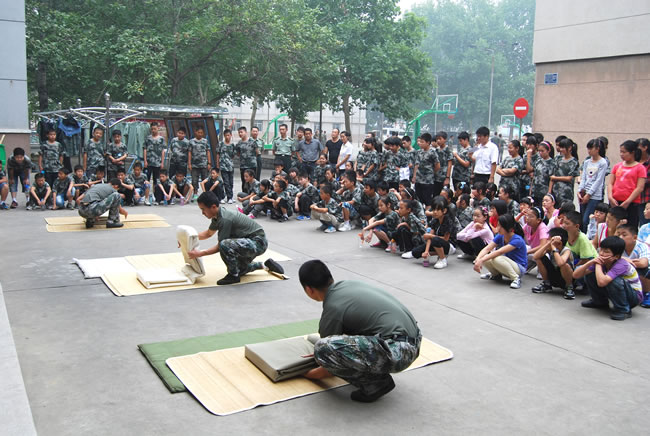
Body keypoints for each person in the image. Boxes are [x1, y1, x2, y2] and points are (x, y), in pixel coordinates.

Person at [299, 259, 421, 402]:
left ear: (309, 289)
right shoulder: (348, 285)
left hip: (399, 352)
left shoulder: (333, 306)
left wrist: (307, 374)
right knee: (333, 343)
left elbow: (328, 361)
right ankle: (377, 377)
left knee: (322, 348)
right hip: (414, 341)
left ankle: (375, 384)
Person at [190, 191, 284, 285]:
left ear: (213, 207)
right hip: (248, 241)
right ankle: (264, 265)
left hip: (258, 242)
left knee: (224, 245)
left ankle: (233, 276)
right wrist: (189, 238)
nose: (202, 213)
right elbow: (208, 233)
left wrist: (200, 253)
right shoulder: (217, 215)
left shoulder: (225, 219)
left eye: (203, 209)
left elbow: (220, 246)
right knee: (240, 269)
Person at [573, 236, 642, 321]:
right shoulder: (603, 261)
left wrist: (598, 264)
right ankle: (599, 301)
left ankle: (624, 309)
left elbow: (601, 282)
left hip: (633, 297)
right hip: (618, 292)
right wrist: (591, 262)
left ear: (616, 256)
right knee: (590, 274)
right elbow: (575, 275)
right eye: (601, 250)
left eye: (606, 252)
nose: (601, 253)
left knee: (613, 280)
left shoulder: (622, 264)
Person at [474, 214, 527, 289]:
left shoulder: (517, 240)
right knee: (485, 256)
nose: (498, 228)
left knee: (496, 258)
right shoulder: (500, 236)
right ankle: (495, 275)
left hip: (519, 268)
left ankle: (515, 278)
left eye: (501, 226)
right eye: (498, 225)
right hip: (507, 264)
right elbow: (487, 248)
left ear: (509, 228)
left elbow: (499, 252)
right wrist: (478, 259)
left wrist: (481, 260)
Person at [608, 140, 646, 229]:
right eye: (620, 152)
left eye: (624, 152)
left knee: (629, 228)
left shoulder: (640, 168)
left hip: (631, 203)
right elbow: (610, 183)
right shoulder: (617, 166)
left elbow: (640, 187)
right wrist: (610, 197)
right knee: (613, 226)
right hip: (615, 202)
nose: (621, 154)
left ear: (632, 153)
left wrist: (627, 201)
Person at [531, 227, 575, 299]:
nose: (548, 240)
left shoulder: (567, 250)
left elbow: (560, 263)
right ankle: (546, 283)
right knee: (539, 258)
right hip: (554, 276)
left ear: (559, 243)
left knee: (565, 265)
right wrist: (548, 244)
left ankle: (569, 287)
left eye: (550, 239)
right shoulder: (550, 247)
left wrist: (554, 249)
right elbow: (535, 256)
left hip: (565, 279)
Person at [411, 197, 455, 269]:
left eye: (437, 210)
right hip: (436, 242)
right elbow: (429, 237)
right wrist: (426, 251)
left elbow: (445, 239)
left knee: (435, 239)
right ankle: (437, 253)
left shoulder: (448, 221)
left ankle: (442, 259)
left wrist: (431, 236)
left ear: (444, 210)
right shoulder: (435, 220)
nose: (435, 212)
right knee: (415, 252)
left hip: (449, 246)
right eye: (434, 209)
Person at [578, 138, 609, 232]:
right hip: (584, 193)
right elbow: (583, 177)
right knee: (582, 219)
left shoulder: (603, 162)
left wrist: (589, 194)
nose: (589, 151)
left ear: (597, 149)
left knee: (587, 220)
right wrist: (580, 190)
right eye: (588, 148)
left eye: (591, 148)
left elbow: (599, 181)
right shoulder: (587, 162)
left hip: (594, 195)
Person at [549, 138, 580, 207]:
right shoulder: (557, 159)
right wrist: (549, 192)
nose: (561, 149)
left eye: (563, 147)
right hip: (555, 192)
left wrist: (556, 178)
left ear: (569, 148)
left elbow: (569, 178)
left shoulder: (574, 161)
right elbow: (552, 176)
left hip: (566, 193)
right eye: (561, 147)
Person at [412, 133, 439, 206]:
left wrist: (431, 173)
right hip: (418, 179)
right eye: (419, 142)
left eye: (422, 142)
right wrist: (414, 176)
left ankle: (428, 216)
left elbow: (437, 165)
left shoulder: (432, 152)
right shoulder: (419, 152)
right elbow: (416, 164)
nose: (420, 143)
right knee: (418, 198)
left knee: (427, 200)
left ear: (428, 143)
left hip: (428, 181)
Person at [188, 127, 211, 199]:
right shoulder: (191, 141)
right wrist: (189, 163)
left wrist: (209, 163)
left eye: (201, 133)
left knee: (205, 179)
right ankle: (195, 193)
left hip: (204, 163)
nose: (200, 134)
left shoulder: (205, 141)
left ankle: (206, 193)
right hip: (194, 164)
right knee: (194, 180)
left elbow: (208, 152)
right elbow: (189, 152)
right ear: (195, 132)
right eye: (199, 132)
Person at [216, 128, 235, 204]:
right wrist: (218, 164)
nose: (227, 137)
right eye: (226, 135)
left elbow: (233, 155)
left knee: (231, 182)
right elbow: (217, 154)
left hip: (230, 166)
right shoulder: (220, 144)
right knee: (226, 182)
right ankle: (228, 197)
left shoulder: (232, 145)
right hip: (223, 166)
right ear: (224, 136)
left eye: (229, 135)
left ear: (231, 135)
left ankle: (230, 196)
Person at [433, 131, 453, 197]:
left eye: (440, 139)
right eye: (437, 139)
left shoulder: (448, 150)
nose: (438, 141)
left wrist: (447, 178)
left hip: (443, 177)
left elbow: (449, 164)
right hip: (436, 177)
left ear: (445, 139)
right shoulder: (436, 150)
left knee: (444, 195)